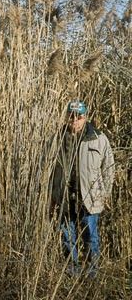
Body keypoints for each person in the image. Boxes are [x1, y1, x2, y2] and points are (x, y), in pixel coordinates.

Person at [51, 100, 115, 276]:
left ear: (85, 117)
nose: (74, 121)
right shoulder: (57, 138)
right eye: (71, 117)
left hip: (90, 195)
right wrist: (51, 195)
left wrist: (104, 194)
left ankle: (92, 270)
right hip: (64, 195)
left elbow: (108, 168)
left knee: (90, 235)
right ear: (66, 117)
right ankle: (72, 269)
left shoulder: (98, 138)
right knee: (67, 236)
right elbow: (47, 168)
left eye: (78, 117)